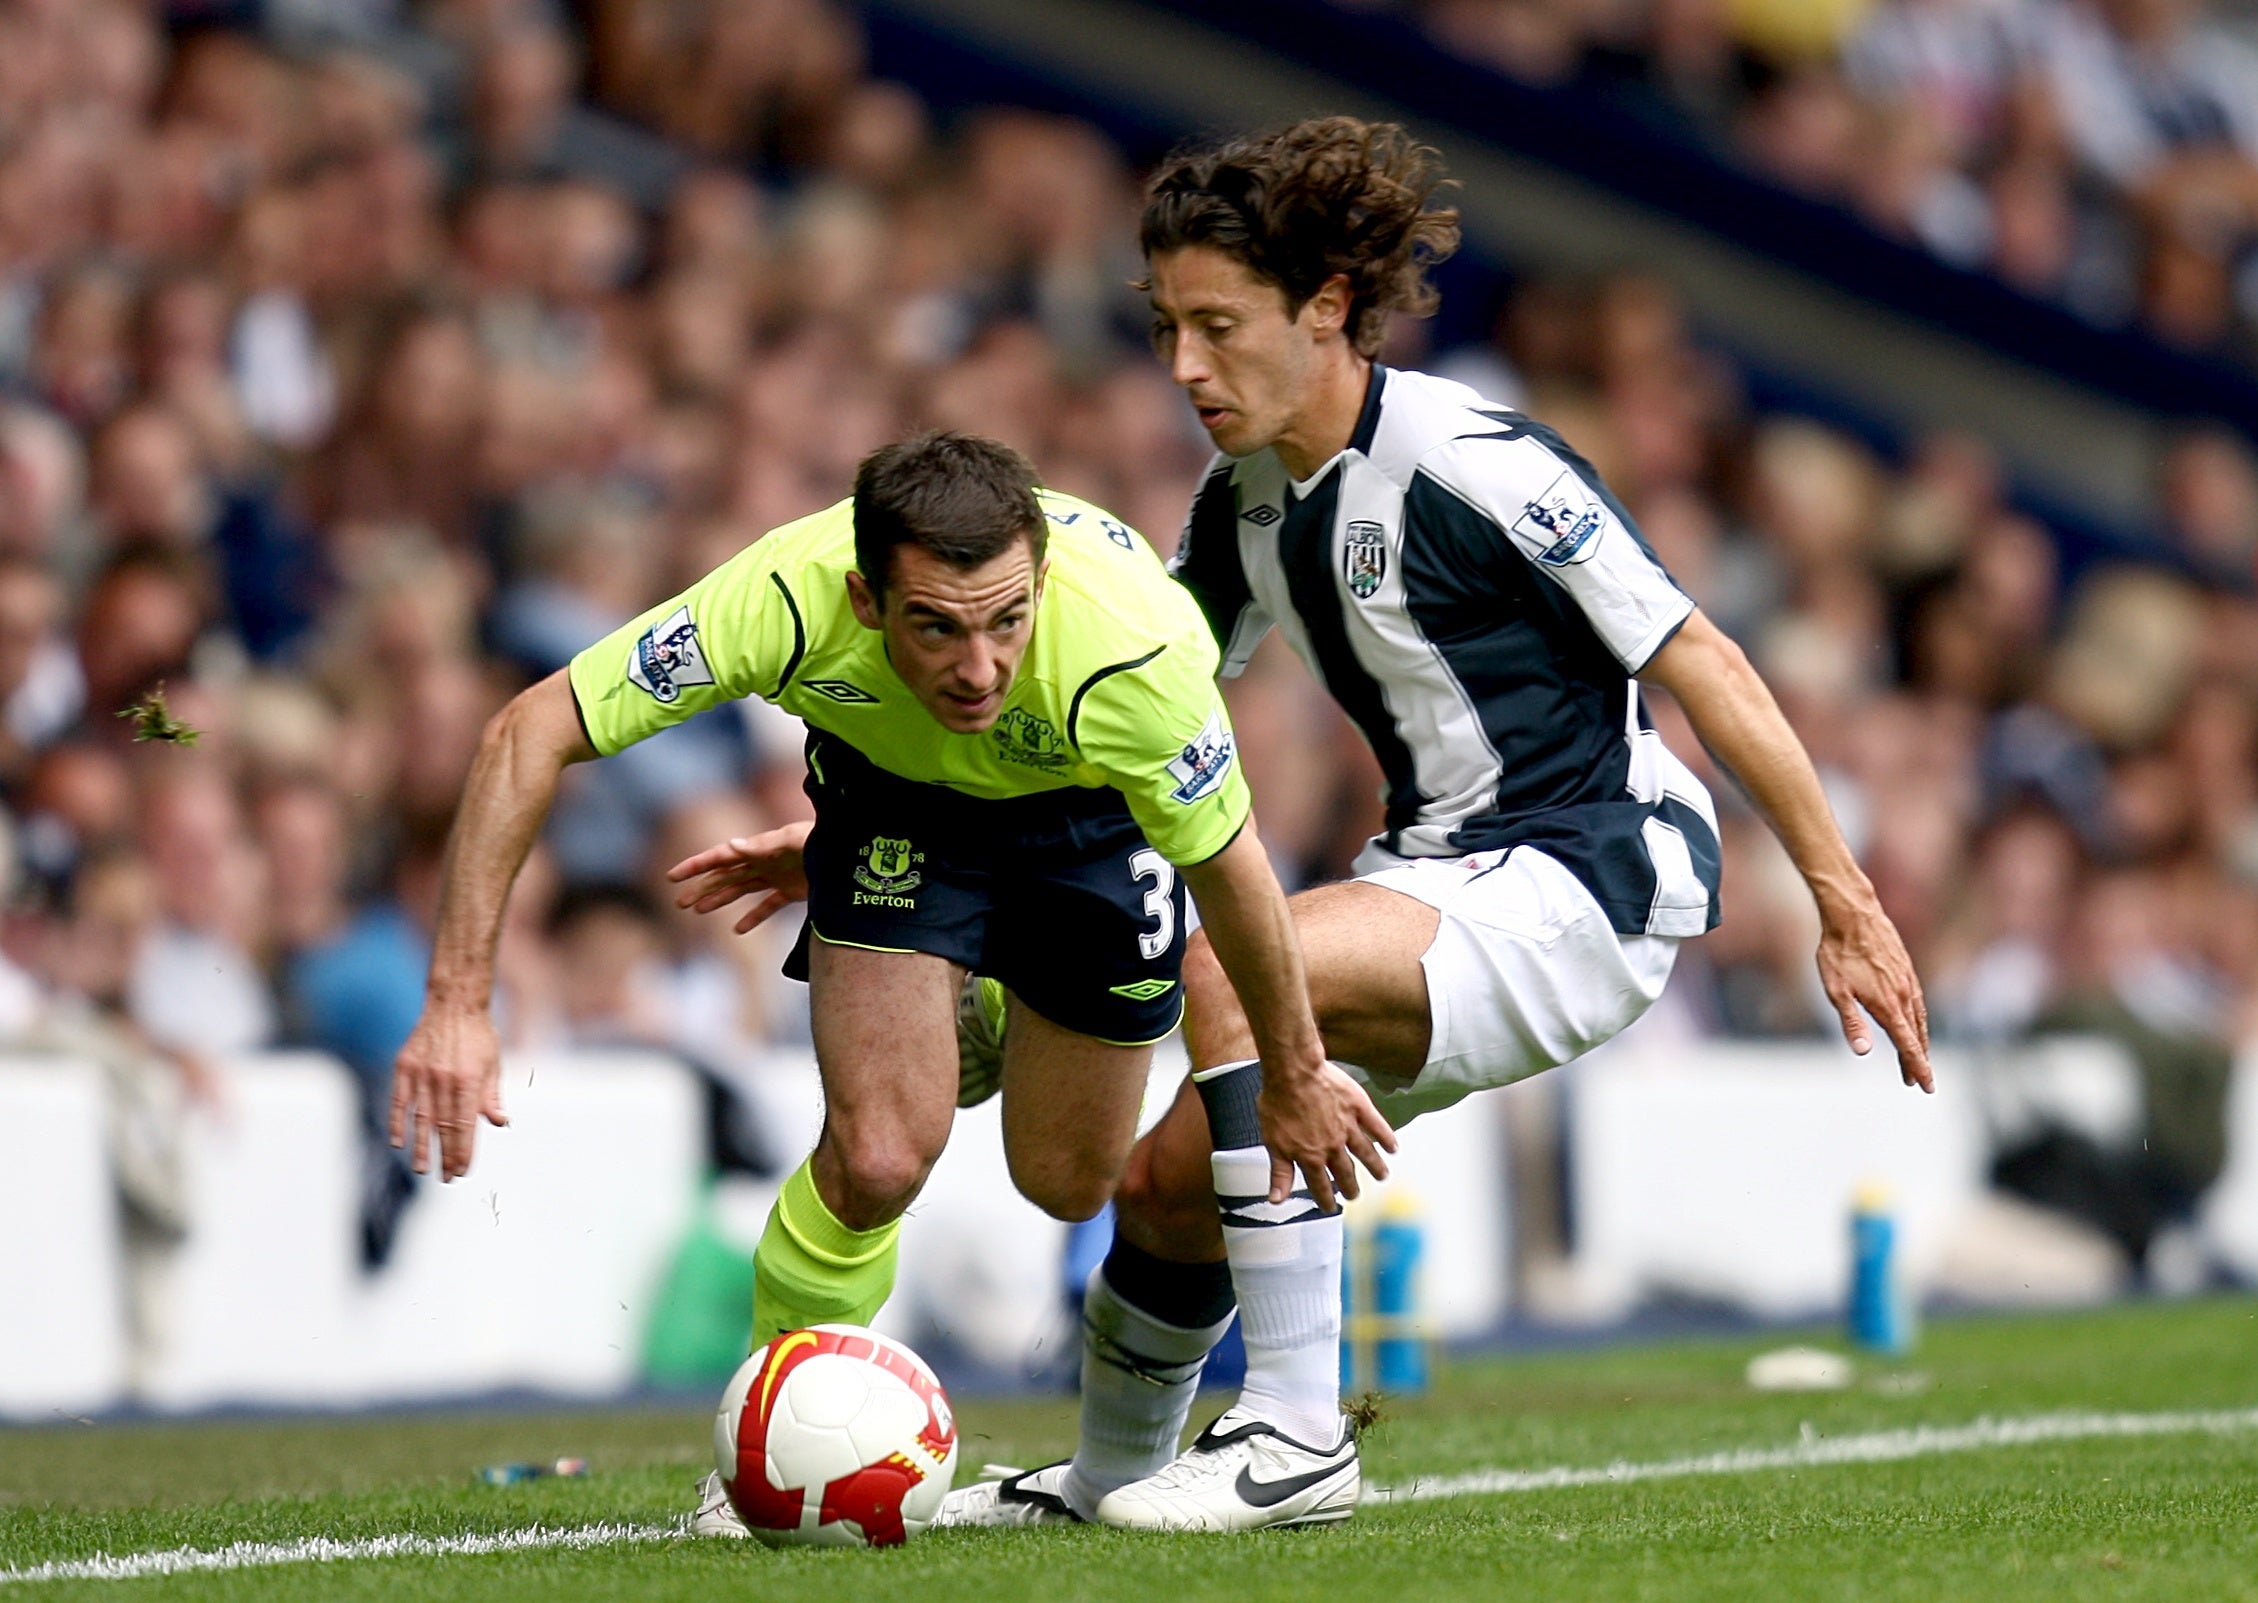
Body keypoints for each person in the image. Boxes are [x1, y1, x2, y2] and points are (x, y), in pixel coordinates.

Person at [923, 116, 1931, 1530]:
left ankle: (1293, 1427)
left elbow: (1695, 653)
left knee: (1231, 958)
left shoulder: (1473, 459)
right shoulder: (1238, 507)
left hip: (1587, 869)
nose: (1182, 369)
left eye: (1216, 326)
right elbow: (1117, 724)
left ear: (1324, 307)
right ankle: (1101, 1478)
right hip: (1435, 877)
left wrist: (1843, 895)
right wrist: (936, 845)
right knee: (1165, 1189)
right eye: (1165, 328)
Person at [383, 431, 1393, 1534]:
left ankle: (992, 990)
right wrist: (453, 1002)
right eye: (937, 626)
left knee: (1064, 1181)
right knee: (876, 1156)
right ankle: (760, 1452)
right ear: (865, 600)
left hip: (1093, 827)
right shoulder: (779, 595)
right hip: (895, 813)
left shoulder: (1134, 652)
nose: (979, 667)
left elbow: (1234, 876)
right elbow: (527, 731)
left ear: (1043, 581)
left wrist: (1292, 1069)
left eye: (1008, 620)